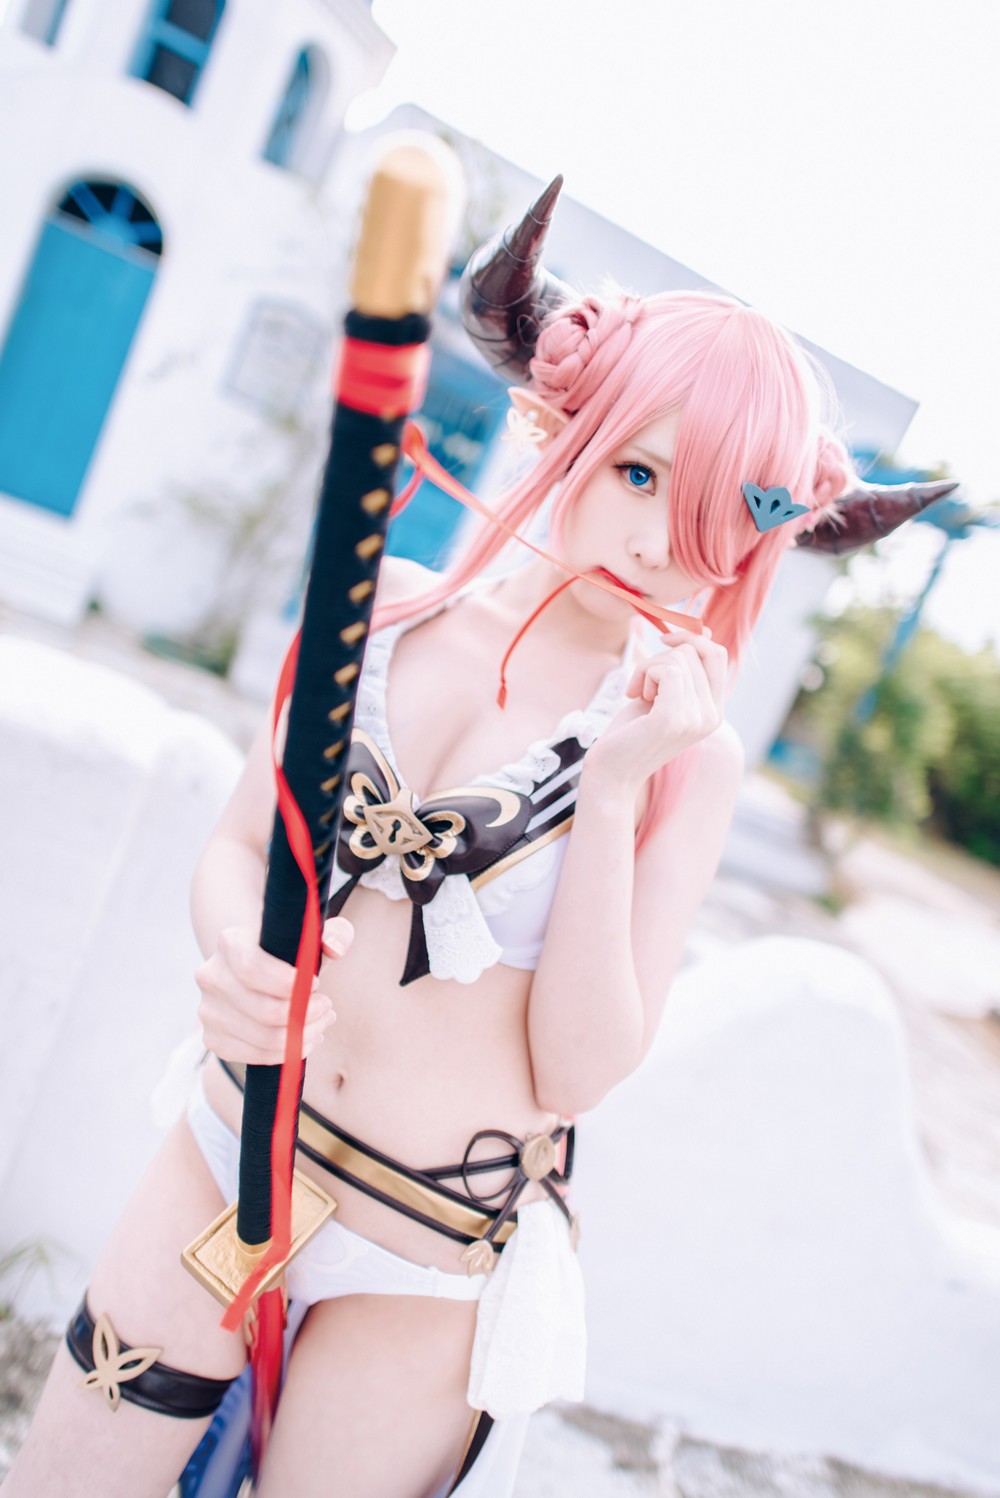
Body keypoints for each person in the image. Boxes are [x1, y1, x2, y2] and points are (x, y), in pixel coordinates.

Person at [4, 261, 859, 1498]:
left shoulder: (689, 754)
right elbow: (243, 848)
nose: (658, 542)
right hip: (232, 1147)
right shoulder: (384, 608)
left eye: (713, 515)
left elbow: (576, 1071)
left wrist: (615, 786)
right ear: (562, 425)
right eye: (639, 473)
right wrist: (239, 959)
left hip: (423, 1253)